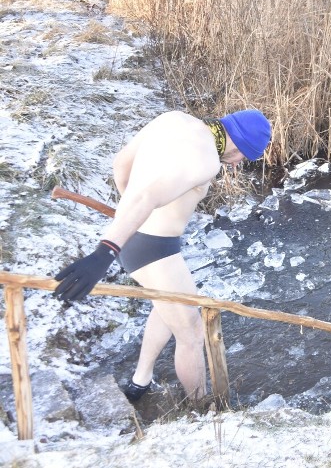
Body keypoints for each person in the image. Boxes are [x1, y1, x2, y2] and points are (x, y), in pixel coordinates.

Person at [54, 109, 272, 402]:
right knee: (192, 334)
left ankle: (140, 381)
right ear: (239, 145)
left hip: (140, 237)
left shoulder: (173, 119)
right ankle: (200, 408)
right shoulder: (206, 159)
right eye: (246, 156)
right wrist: (105, 251)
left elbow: (121, 165)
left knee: (168, 305)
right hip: (151, 248)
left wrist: (128, 215)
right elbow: (147, 197)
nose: (240, 163)